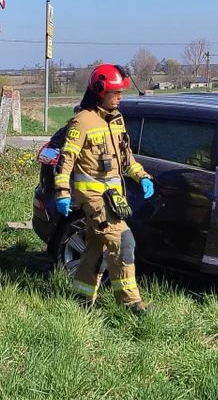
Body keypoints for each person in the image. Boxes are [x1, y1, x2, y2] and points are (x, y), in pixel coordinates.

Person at [53, 63, 155, 313]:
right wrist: (62, 193)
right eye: (116, 92)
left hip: (113, 196)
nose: (120, 97)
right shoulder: (82, 122)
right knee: (124, 241)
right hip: (93, 197)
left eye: (122, 92)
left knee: (95, 248)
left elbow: (125, 158)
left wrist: (142, 176)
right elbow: (65, 161)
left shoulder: (117, 120)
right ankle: (131, 304)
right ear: (100, 91)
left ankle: (81, 300)